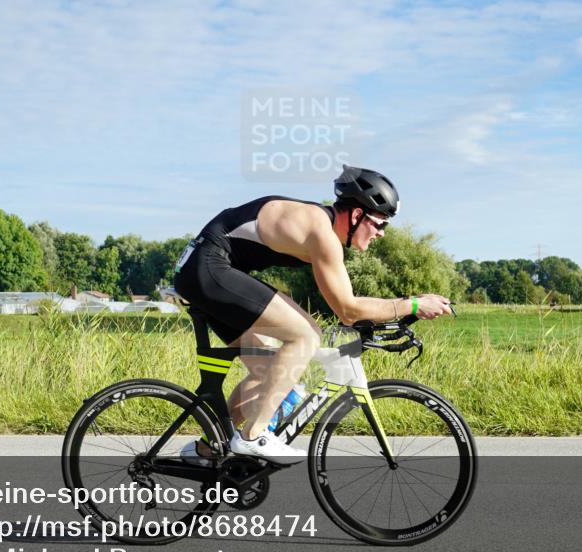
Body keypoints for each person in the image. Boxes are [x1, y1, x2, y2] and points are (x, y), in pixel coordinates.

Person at [172, 165, 454, 464]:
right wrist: (412, 305)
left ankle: (208, 448)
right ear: (357, 215)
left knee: (269, 371)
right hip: (210, 268)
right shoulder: (320, 232)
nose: (381, 234)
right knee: (306, 335)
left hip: (203, 271)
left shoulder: (321, 227)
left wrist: (392, 312)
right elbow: (347, 309)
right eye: (380, 224)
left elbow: (345, 302)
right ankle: (254, 436)